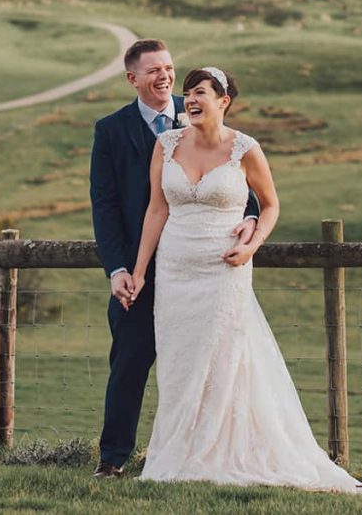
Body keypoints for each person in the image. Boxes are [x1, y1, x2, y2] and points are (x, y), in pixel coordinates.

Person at [129, 67, 362, 492]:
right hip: (176, 269)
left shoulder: (245, 148)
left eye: (200, 92)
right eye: (188, 93)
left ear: (224, 101)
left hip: (225, 269)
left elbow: (272, 205)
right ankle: (178, 452)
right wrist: (140, 271)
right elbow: (156, 210)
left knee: (222, 360)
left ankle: (224, 451)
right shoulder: (165, 145)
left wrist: (252, 242)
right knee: (180, 364)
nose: (191, 99)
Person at [89, 40, 260, 478]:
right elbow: (105, 205)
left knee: (209, 361)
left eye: (168, 67)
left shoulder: (202, 105)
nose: (165, 77)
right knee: (130, 358)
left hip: (205, 266)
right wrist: (120, 269)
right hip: (142, 268)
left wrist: (250, 220)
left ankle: (201, 454)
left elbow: (238, 173)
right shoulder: (111, 130)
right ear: (133, 79)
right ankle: (112, 459)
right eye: (153, 71)